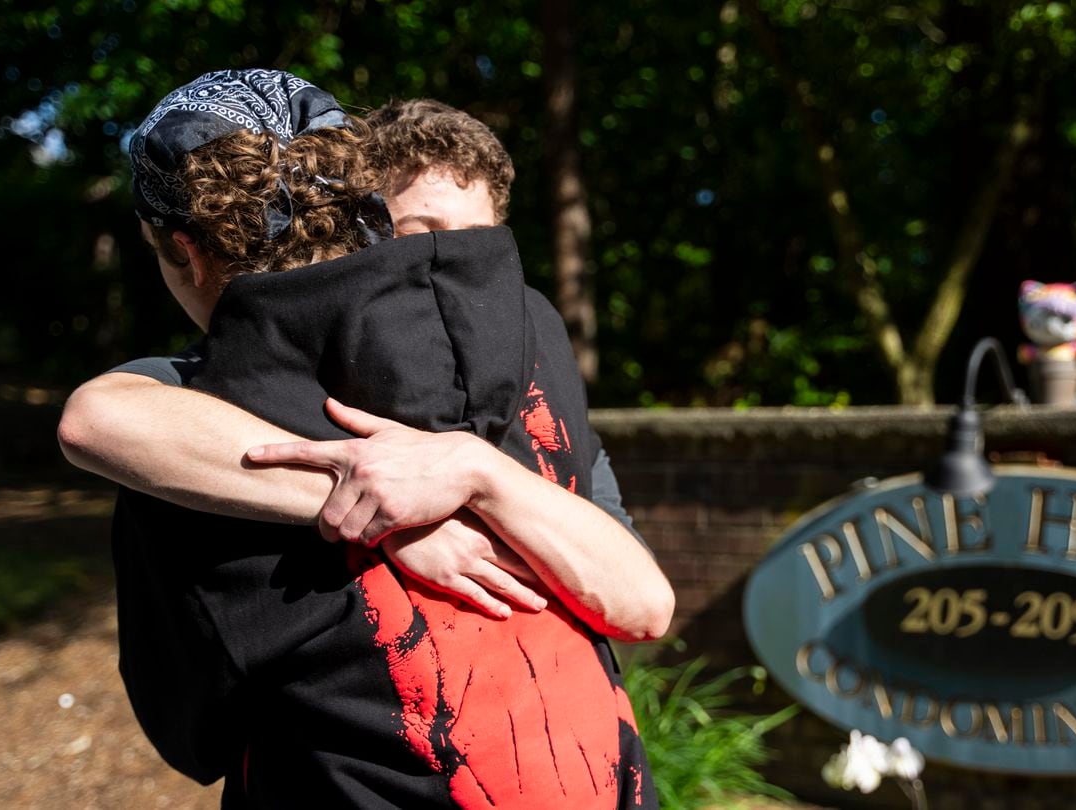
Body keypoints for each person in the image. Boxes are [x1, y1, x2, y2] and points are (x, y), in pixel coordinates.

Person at [57, 69, 670, 808]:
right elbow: (643, 608)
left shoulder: (190, 439)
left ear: (185, 251)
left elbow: (192, 730)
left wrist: (462, 476)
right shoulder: (531, 334)